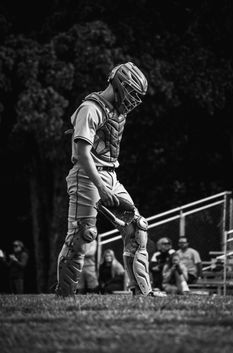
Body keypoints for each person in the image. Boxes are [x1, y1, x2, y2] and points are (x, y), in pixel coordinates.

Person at [56, 62, 154, 297]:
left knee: (137, 228)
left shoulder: (117, 113)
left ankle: (143, 292)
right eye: (132, 92)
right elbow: (82, 152)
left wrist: (107, 183)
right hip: (87, 174)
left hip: (110, 174)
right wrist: (101, 187)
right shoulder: (90, 108)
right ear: (119, 84)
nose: (134, 100)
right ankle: (65, 294)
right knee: (83, 235)